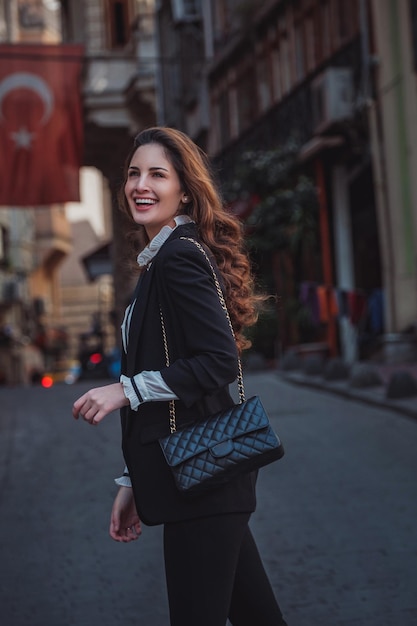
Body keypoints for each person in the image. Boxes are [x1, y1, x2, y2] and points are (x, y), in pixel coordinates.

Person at [72, 127, 288, 626]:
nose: (140, 185)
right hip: (202, 478)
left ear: (184, 190)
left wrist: (122, 390)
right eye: (133, 174)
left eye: (157, 174)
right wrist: (133, 480)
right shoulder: (163, 259)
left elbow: (216, 362)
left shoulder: (178, 258)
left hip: (205, 483)